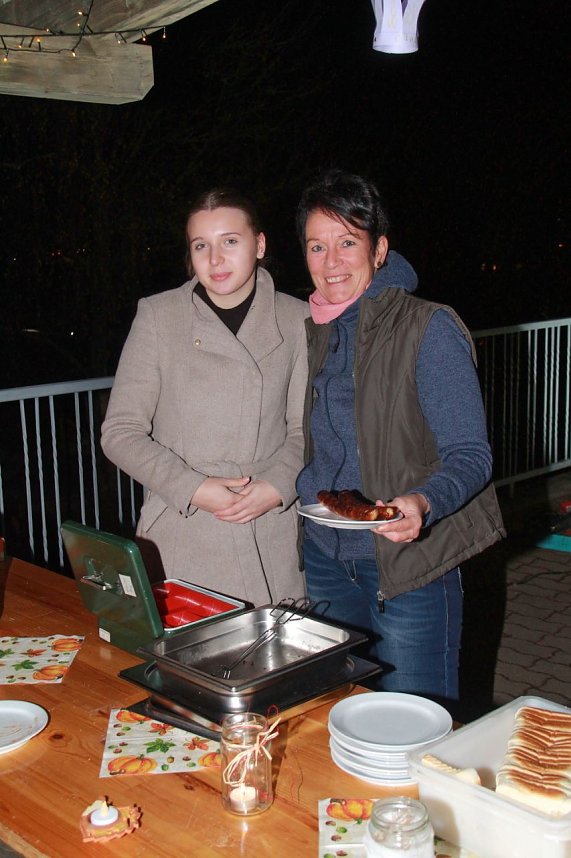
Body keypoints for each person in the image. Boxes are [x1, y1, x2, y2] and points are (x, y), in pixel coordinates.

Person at [296, 169, 505, 700]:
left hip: (407, 566)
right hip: (325, 558)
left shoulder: (427, 327)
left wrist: (422, 501)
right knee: (337, 712)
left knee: (415, 723)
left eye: (348, 242)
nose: (332, 261)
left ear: (380, 249)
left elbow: (471, 454)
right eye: (317, 246)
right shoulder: (314, 331)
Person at [101, 188, 309, 606]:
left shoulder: (298, 317)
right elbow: (120, 432)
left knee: (275, 664)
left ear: (259, 244)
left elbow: (306, 428)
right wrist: (193, 487)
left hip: (268, 532)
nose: (215, 260)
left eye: (230, 241)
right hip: (183, 530)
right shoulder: (159, 316)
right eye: (201, 246)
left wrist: (277, 484)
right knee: (181, 666)